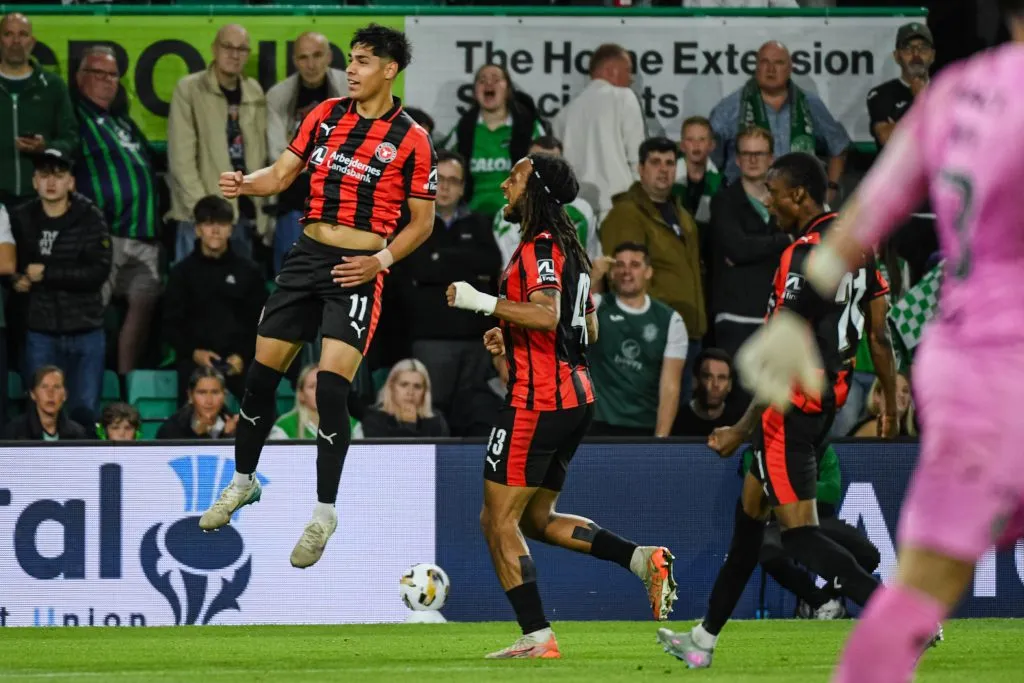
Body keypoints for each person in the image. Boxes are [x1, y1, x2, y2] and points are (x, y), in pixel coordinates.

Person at [731, 7, 1024, 680]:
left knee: (911, 601)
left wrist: (791, 318)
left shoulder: (955, 95)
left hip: (971, 370)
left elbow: (863, 218)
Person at [196, 24, 436, 571]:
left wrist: (380, 262)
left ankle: (323, 513)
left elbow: (421, 224)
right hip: (306, 256)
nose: (350, 69)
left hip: (358, 268)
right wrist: (244, 182)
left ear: (389, 69)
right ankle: (242, 483)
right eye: (349, 60)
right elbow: (282, 174)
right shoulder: (325, 115)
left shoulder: (412, 138)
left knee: (330, 390)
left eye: (363, 61)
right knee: (260, 380)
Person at [656, 153, 904, 669]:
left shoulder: (804, 256)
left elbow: (779, 352)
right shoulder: (861, 249)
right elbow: (878, 336)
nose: (767, 201)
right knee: (748, 527)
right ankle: (702, 640)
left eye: (773, 192)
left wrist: (739, 430)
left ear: (800, 196)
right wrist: (891, 404)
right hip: (826, 405)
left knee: (797, 534)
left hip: (791, 409)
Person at [446, 153, 677, 659]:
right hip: (574, 398)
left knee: (496, 520)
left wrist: (481, 301)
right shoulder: (568, 251)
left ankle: (537, 636)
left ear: (538, 194)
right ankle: (641, 560)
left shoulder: (539, 247)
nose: (505, 184)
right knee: (534, 518)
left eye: (516, 177)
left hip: (538, 402)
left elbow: (548, 316)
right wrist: (511, 337)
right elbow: (586, 328)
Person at [269, 364, 364, 441]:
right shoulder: (283, 426)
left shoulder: (353, 426)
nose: (319, 391)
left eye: (324, 385)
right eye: (312, 386)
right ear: (301, 394)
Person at [360, 359, 449, 438]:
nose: (410, 392)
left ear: (425, 391)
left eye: (417, 386)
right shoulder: (374, 419)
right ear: (391, 387)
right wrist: (408, 426)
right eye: (404, 385)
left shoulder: (437, 421)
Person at [3, 365, 87, 441]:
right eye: (44, 387)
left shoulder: (77, 434)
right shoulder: (15, 432)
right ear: (33, 394)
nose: (50, 393)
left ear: (64, 395)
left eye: (56, 387)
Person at [157, 367, 238, 440]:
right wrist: (196, 436)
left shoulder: (237, 429)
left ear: (224, 395)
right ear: (190, 396)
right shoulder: (171, 430)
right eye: (202, 393)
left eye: (215, 392)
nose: (209, 401)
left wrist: (230, 438)